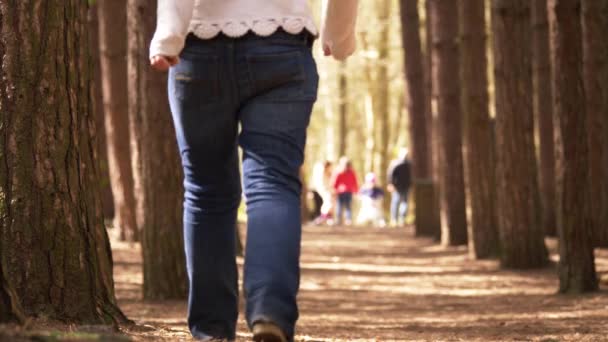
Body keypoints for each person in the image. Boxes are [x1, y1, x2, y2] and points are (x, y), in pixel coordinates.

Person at [149, 1, 358, 341]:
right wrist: (339, 33)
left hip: (199, 47)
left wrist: (168, 36)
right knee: (272, 184)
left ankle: (212, 330)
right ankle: (269, 313)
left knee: (206, 192)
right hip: (282, 46)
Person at [387, 148, 412, 227]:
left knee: (403, 203)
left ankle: (401, 219)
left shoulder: (409, 164)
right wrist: (390, 184)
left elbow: (411, 175)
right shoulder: (395, 163)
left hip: (406, 186)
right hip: (397, 187)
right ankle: (395, 219)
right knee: (397, 202)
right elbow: (390, 174)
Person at [332, 157, 359, 226]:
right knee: (346, 206)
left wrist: (334, 188)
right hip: (345, 191)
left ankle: (341, 220)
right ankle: (347, 220)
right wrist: (356, 189)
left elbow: (334, 182)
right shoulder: (342, 172)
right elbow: (354, 182)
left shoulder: (339, 171)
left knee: (341, 206)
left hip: (343, 191)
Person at [311, 160, 334, 225]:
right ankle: (322, 218)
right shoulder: (321, 173)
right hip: (324, 190)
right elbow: (322, 183)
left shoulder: (327, 173)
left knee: (329, 203)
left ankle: (327, 218)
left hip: (326, 190)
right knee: (328, 203)